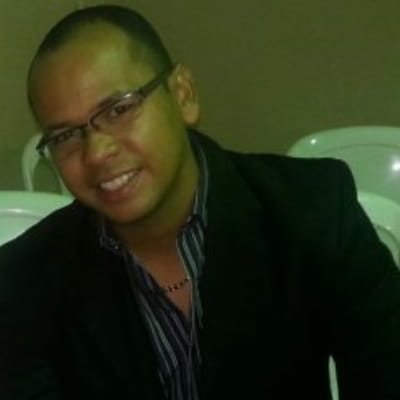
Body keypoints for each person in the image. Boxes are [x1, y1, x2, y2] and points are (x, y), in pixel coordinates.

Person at [1, 4, 400, 400]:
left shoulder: (312, 209)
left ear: (183, 94)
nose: (96, 152)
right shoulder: (25, 279)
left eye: (119, 109)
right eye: (65, 136)